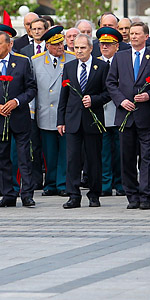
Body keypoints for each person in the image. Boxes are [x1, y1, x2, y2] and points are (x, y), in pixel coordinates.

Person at [106, 21, 150, 210]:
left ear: (146, 37)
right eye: (131, 33)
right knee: (127, 158)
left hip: (146, 115)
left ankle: (146, 196)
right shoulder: (120, 57)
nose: (133, 36)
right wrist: (121, 100)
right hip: (125, 115)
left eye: (137, 34)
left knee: (147, 158)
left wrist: (149, 95)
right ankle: (131, 195)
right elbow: (111, 83)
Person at [0, 25, 37, 208]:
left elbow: (31, 88)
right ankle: (8, 194)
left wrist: (17, 102)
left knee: (24, 157)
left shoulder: (22, 62)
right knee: (1, 158)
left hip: (19, 117)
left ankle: (27, 194)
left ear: (9, 44)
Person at [57, 34, 110, 208]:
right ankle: (73, 195)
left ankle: (94, 195)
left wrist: (94, 100)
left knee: (94, 159)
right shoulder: (69, 67)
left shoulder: (101, 67)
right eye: (76, 48)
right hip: (72, 120)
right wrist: (60, 121)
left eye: (82, 48)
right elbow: (63, 96)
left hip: (92, 120)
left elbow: (108, 92)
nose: (78, 51)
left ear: (90, 48)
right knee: (72, 159)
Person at [32, 25, 73, 198]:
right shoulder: (36, 61)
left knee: (65, 151)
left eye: (61, 44)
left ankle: (63, 183)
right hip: (45, 112)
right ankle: (50, 183)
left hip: (65, 113)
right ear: (47, 45)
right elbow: (32, 88)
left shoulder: (71, 59)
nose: (60, 47)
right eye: (55, 45)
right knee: (49, 152)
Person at [95, 27, 124, 197]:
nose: (105, 47)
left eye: (109, 44)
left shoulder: (122, 61)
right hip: (101, 113)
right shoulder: (96, 62)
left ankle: (120, 183)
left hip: (119, 110)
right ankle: (105, 184)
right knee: (103, 152)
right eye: (102, 44)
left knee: (120, 151)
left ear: (117, 46)